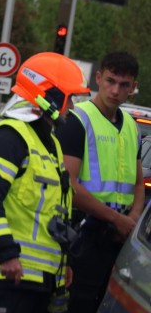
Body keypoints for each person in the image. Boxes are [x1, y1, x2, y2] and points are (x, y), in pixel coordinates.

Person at [0, 52, 91, 313]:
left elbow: (56, 211)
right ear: (49, 96)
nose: (73, 108)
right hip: (14, 272)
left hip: (44, 276)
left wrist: (63, 264)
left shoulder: (51, 144)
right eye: (69, 99)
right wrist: (6, 252)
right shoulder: (9, 137)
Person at [55, 50, 144, 313]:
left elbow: (139, 184)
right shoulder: (77, 120)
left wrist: (132, 220)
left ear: (133, 87)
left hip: (117, 237)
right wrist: (117, 220)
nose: (115, 90)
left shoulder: (131, 125)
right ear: (98, 78)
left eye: (123, 84)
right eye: (110, 81)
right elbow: (68, 184)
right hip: (83, 233)